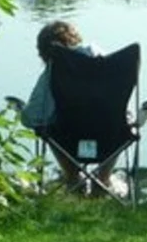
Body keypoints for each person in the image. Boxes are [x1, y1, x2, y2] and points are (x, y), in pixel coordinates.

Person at [19, 20, 94, 190]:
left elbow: (32, 118)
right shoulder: (105, 61)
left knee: (46, 126)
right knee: (124, 124)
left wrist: (22, 110)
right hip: (112, 137)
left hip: (68, 138)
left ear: (44, 54)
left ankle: (74, 178)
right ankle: (103, 181)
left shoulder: (52, 73)